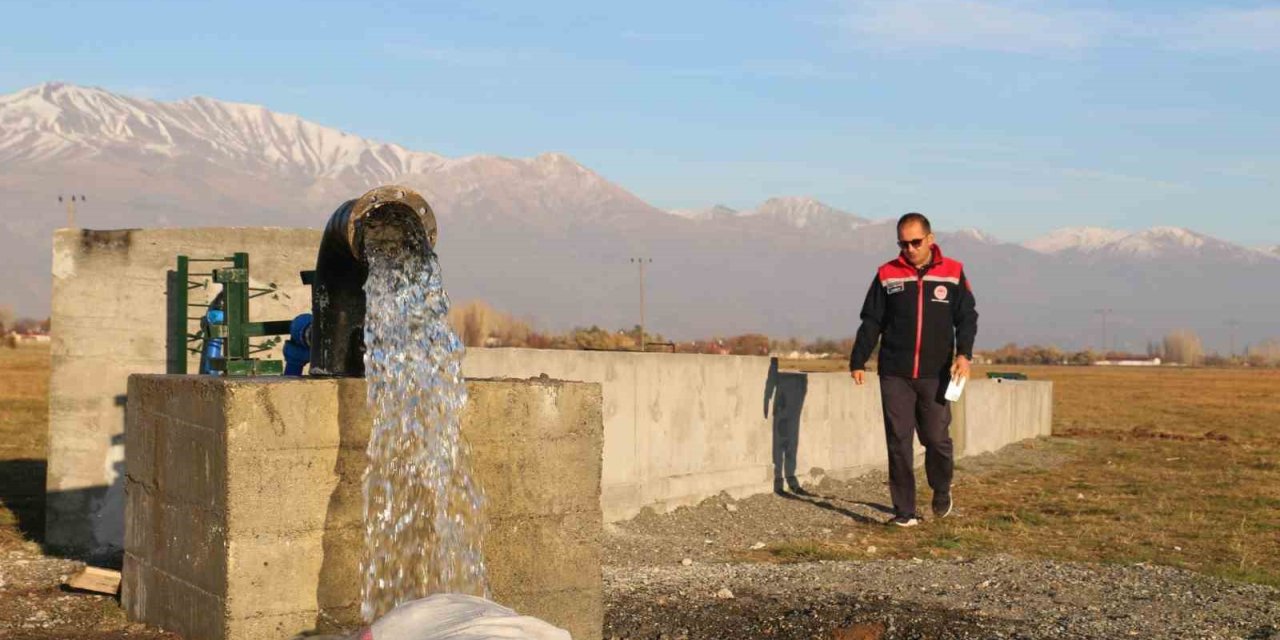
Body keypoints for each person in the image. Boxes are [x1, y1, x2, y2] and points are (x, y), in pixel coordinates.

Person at [849, 212, 978, 527]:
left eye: (915, 242)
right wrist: (858, 359)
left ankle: (941, 486)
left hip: (936, 373)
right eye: (903, 243)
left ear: (930, 240)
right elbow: (871, 321)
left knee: (935, 439)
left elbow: (967, 317)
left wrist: (964, 355)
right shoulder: (887, 274)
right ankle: (904, 511)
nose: (909, 248)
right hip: (895, 372)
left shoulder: (953, 272)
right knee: (898, 440)